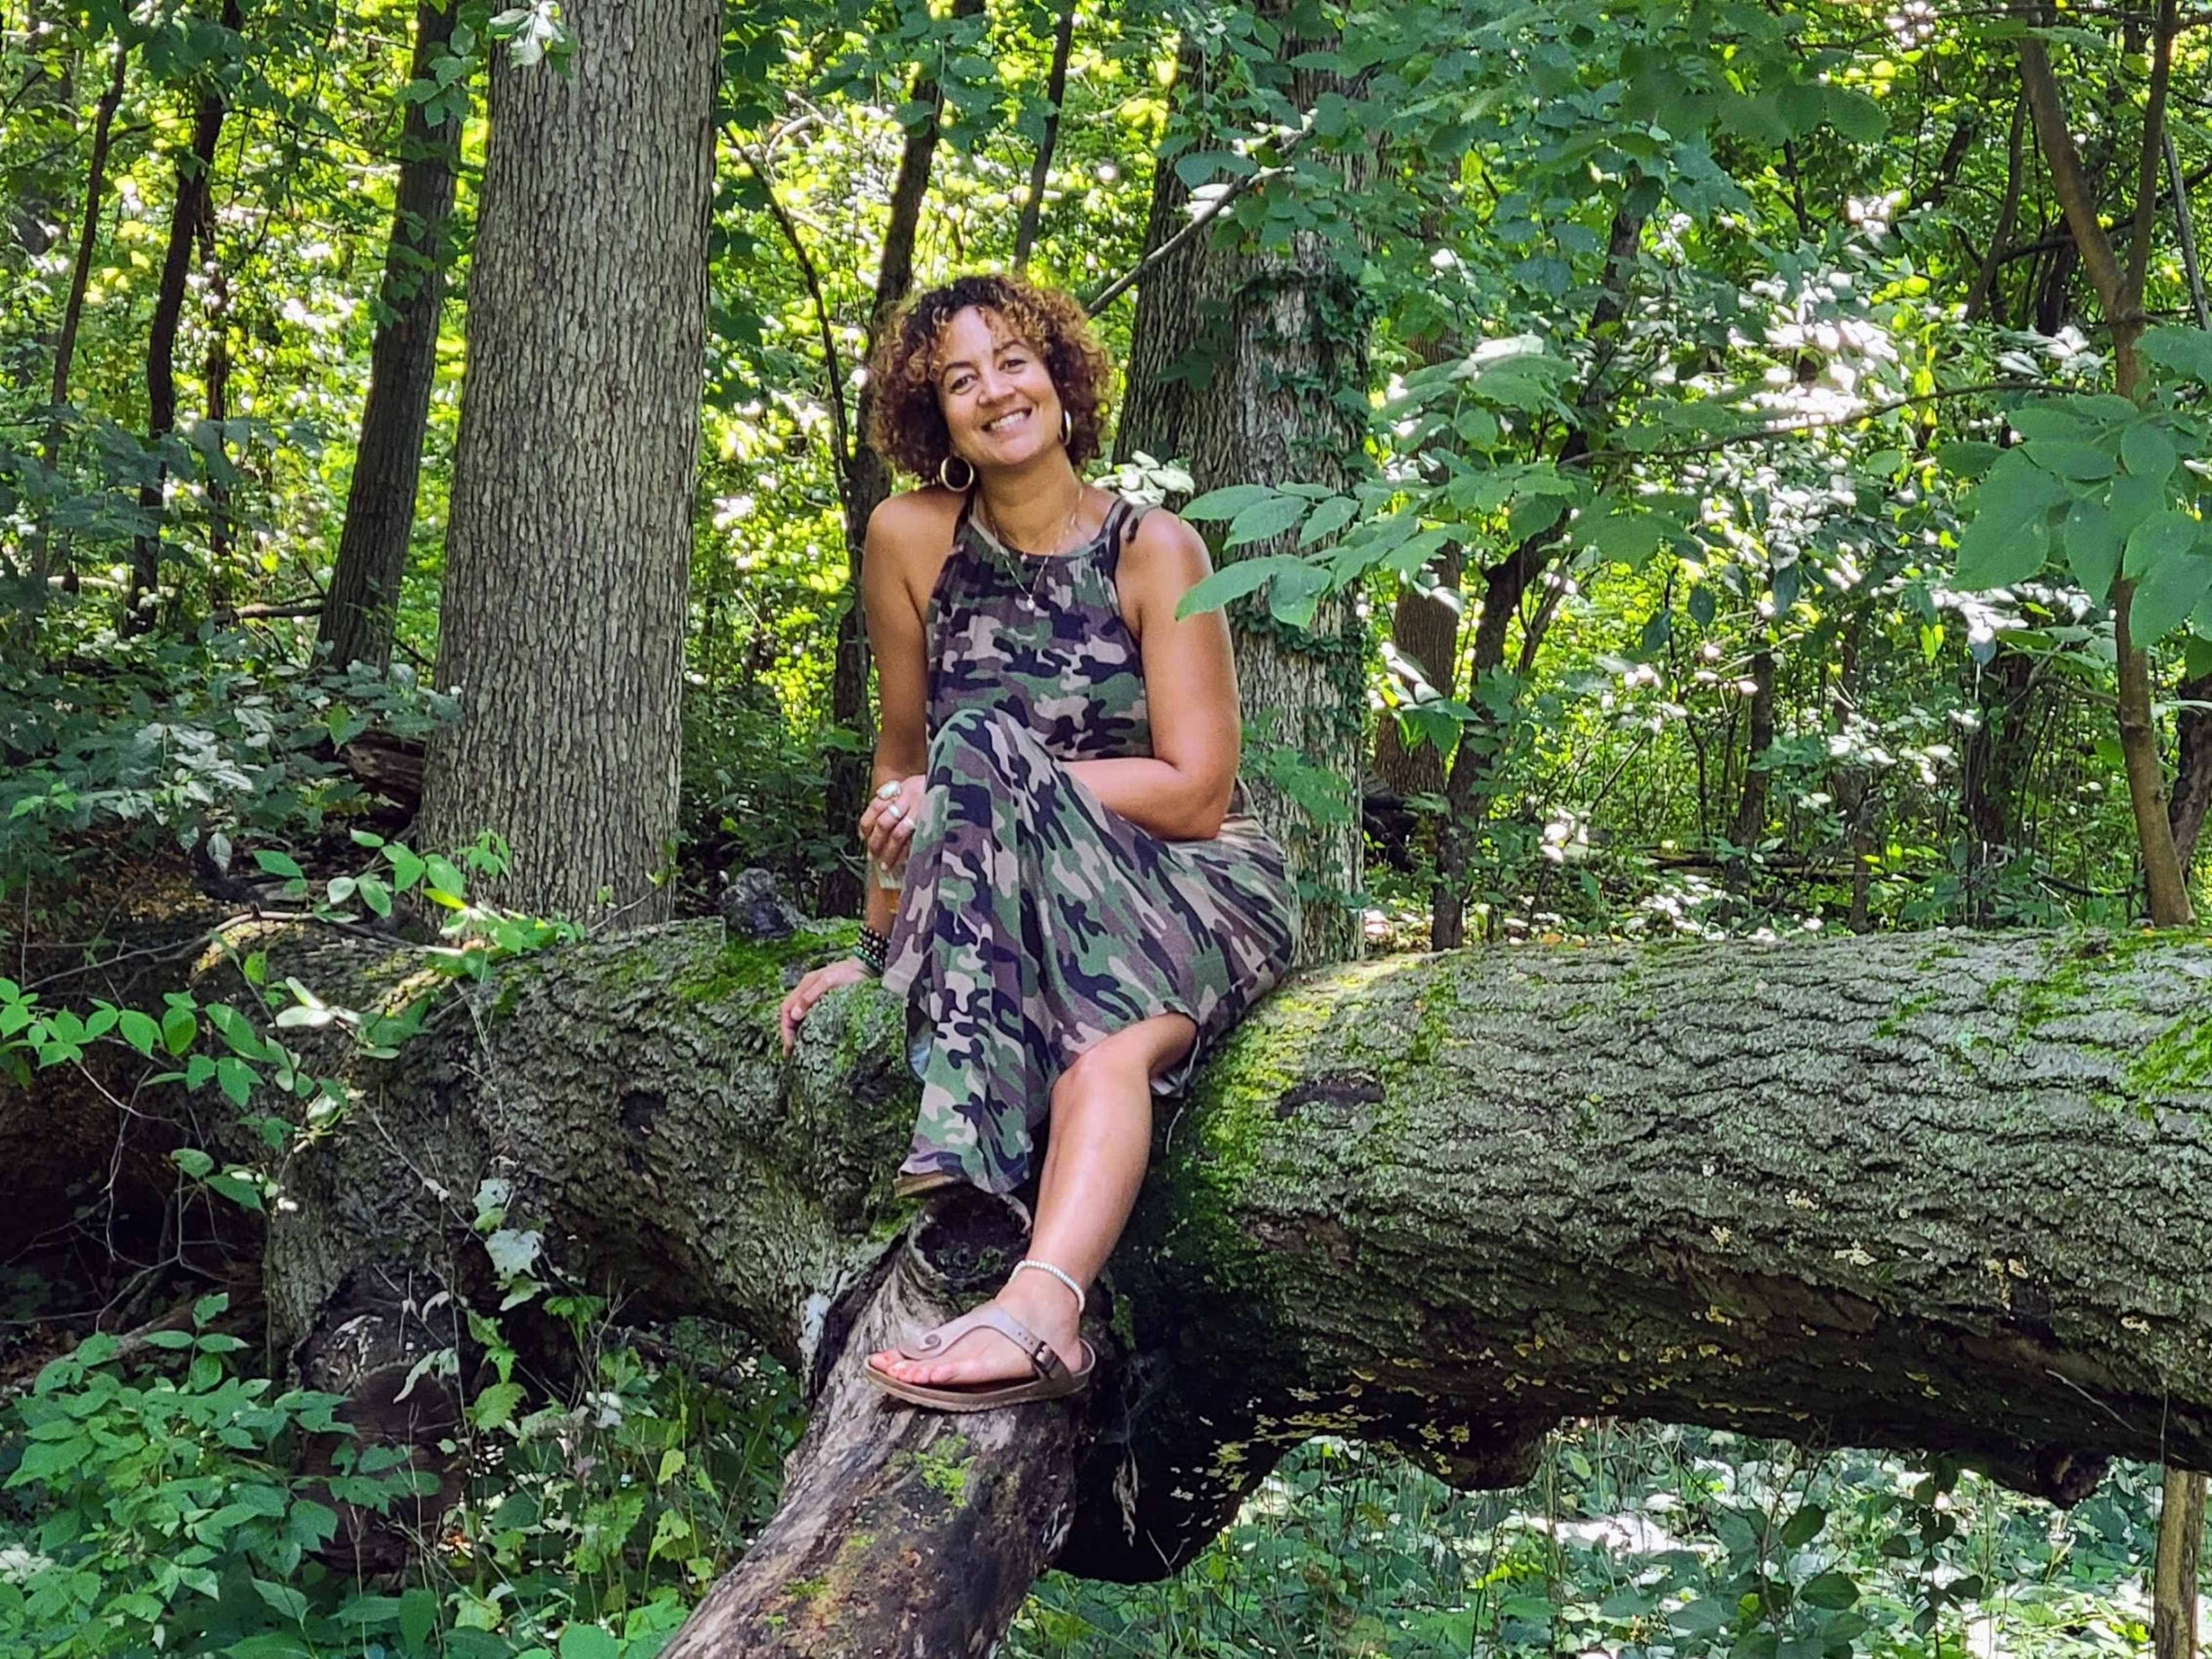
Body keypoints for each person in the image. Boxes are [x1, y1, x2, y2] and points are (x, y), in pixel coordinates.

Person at [777, 272, 1301, 1411]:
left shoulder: (1154, 546)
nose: (994, 391)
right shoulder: (911, 539)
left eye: (1013, 360)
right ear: (936, 414)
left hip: (1184, 879)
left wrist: (1007, 778)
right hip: (1002, 894)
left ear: (1061, 375)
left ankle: (1015, 1263)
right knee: (1096, 1055)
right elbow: (902, 759)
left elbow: (1198, 788)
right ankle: (1024, 1300)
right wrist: (870, 952)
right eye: (960, 379)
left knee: (1104, 1031)